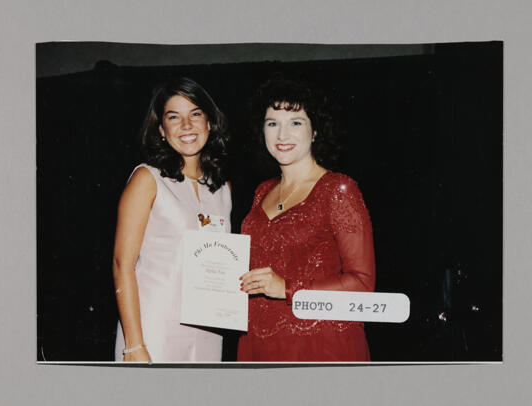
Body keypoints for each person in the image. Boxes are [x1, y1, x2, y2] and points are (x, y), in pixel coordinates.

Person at [238, 78, 376, 361]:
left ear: (315, 131)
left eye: (296, 122)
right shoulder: (261, 191)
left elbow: (362, 284)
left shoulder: (338, 189)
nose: (282, 134)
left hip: (319, 344)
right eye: (272, 123)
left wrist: (287, 288)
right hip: (257, 342)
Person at [113, 78, 231, 362]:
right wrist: (134, 345)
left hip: (208, 330)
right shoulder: (147, 179)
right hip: (153, 328)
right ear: (162, 130)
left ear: (209, 123)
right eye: (174, 117)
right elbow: (122, 265)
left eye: (195, 114)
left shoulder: (223, 189)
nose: (187, 126)